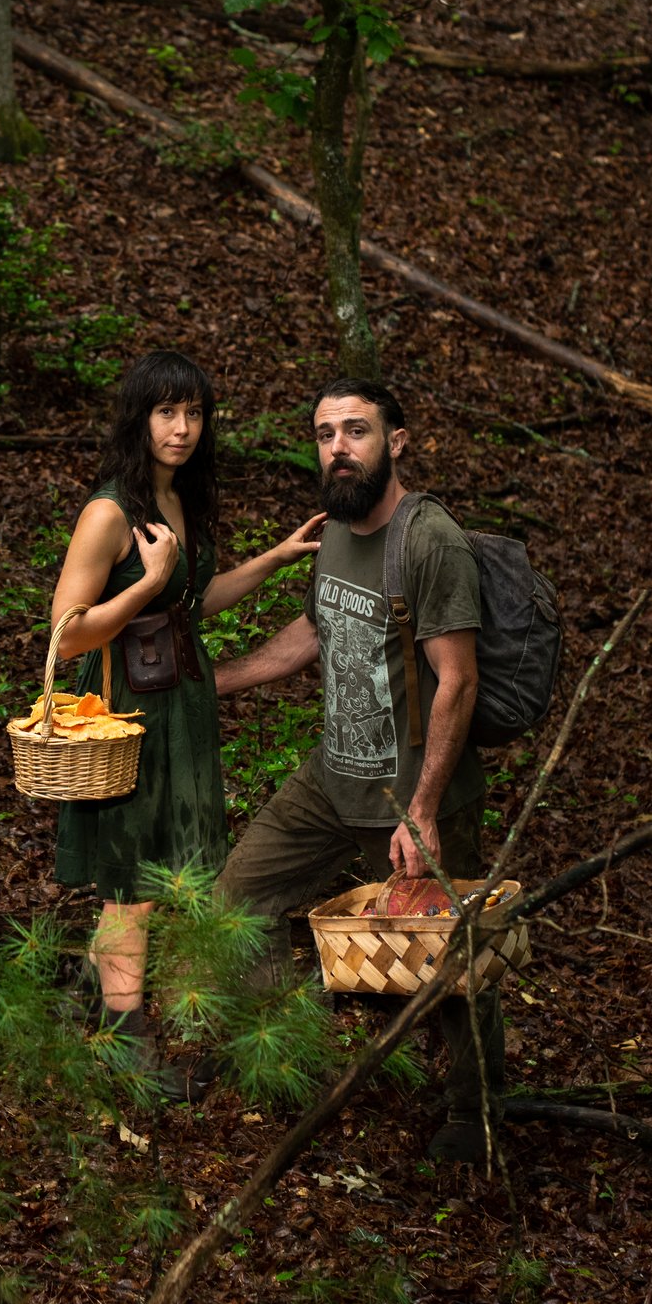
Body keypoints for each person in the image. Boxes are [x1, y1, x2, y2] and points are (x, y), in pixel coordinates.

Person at [212, 376, 507, 1161]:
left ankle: (472, 1112)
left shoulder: (429, 539)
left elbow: (460, 678)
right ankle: (301, 1054)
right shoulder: (336, 528)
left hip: (412, 793)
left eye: (356, 430)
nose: (338, 448)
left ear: (396, 440)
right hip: (332, 781)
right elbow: (311, 633)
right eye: (324, 434)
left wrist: (427, 809)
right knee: (236, 901)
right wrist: (212, 681)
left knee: (453, 962)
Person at [47, 351, 325, 1088]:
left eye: (194, 412)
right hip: (127, 711)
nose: (181, 427)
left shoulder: (178, 501)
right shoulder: (110, 512)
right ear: (139, 419)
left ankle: (97, 988)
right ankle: (125, 1045)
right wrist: (153, 582)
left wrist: (275, 557)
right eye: (166, 411)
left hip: (183, 706)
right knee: (129, 878)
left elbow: (190, 604)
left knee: (172, 872)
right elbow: (67, 631)